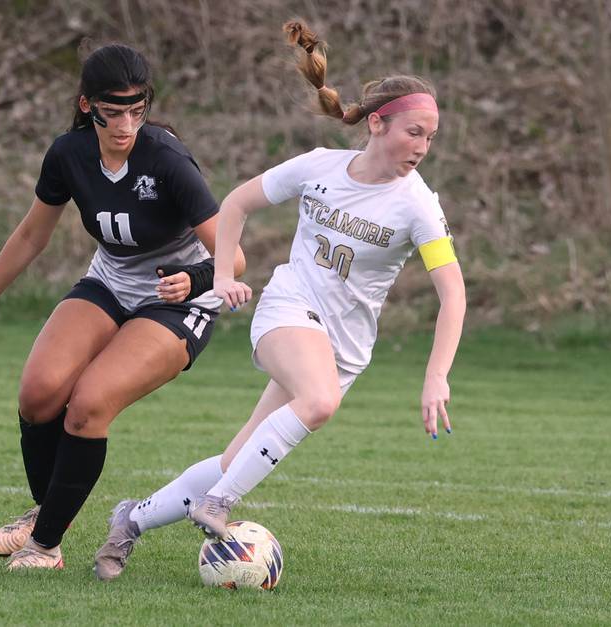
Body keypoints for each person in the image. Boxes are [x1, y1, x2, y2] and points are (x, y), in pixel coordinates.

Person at [93, 19, 466, 581]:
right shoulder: (319, 167)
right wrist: (220, 278)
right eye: (413, 132)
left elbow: (452, 294)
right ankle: (219, 506)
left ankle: (131, 520)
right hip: (287, 311)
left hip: (344, 348)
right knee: (316, 403)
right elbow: (237, 204)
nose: (422, 147)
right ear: (377, 124)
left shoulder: (417, 206)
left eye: (431, 137)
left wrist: (437, 374)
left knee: (232, 461)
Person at [0, 43, 245, 571]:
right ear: (87, 106)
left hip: (179, 300)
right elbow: (32, 235)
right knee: (38, 395)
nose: (126, 124)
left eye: (137, 110)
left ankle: (45, 545)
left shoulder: (166, 158)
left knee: (89, 405)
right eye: (113, 112)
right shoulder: (69, 154)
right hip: (109, 281)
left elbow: (233, 256)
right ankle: (48, 515)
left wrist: (193, 278)